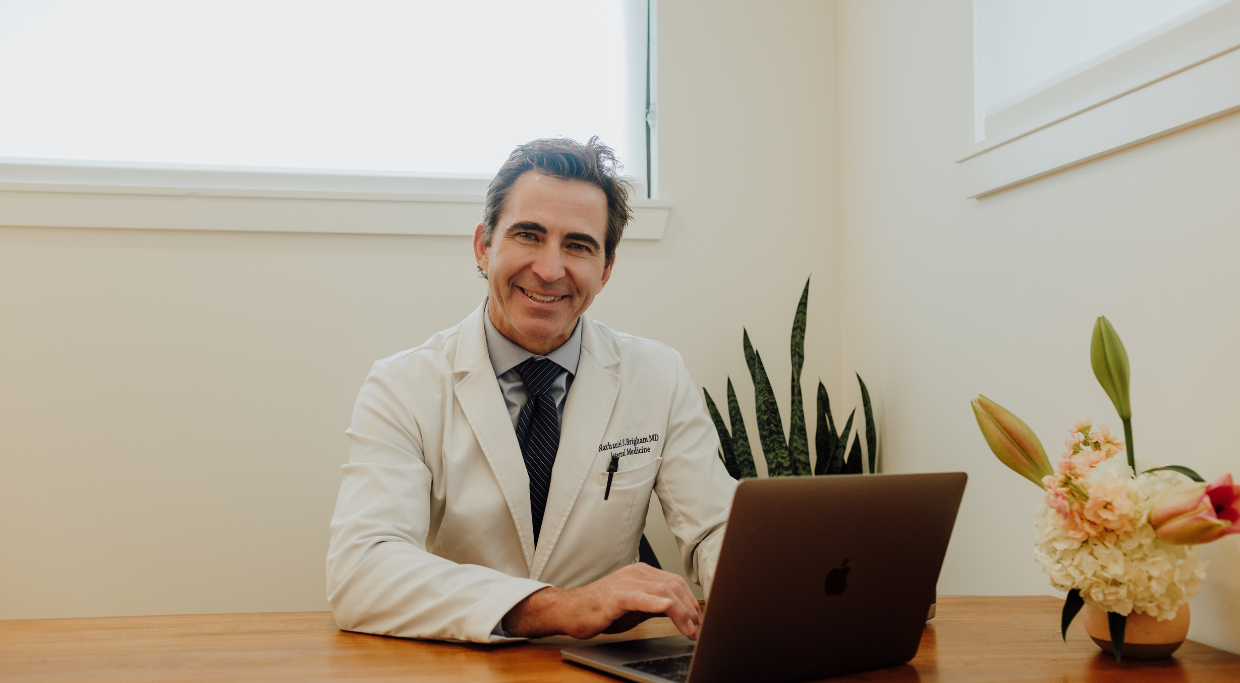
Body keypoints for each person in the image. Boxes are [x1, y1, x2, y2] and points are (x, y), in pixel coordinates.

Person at [326, 137, 737, 643]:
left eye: (579, 246)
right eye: (528, 235)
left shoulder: (659, 376)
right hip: (465, 661)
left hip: (606, 668)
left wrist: (767, 599)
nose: (549, 269)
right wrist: (557, 607)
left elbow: (718, 531)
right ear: (484, 246)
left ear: (606, 270)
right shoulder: (403, 386)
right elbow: (361, 571)